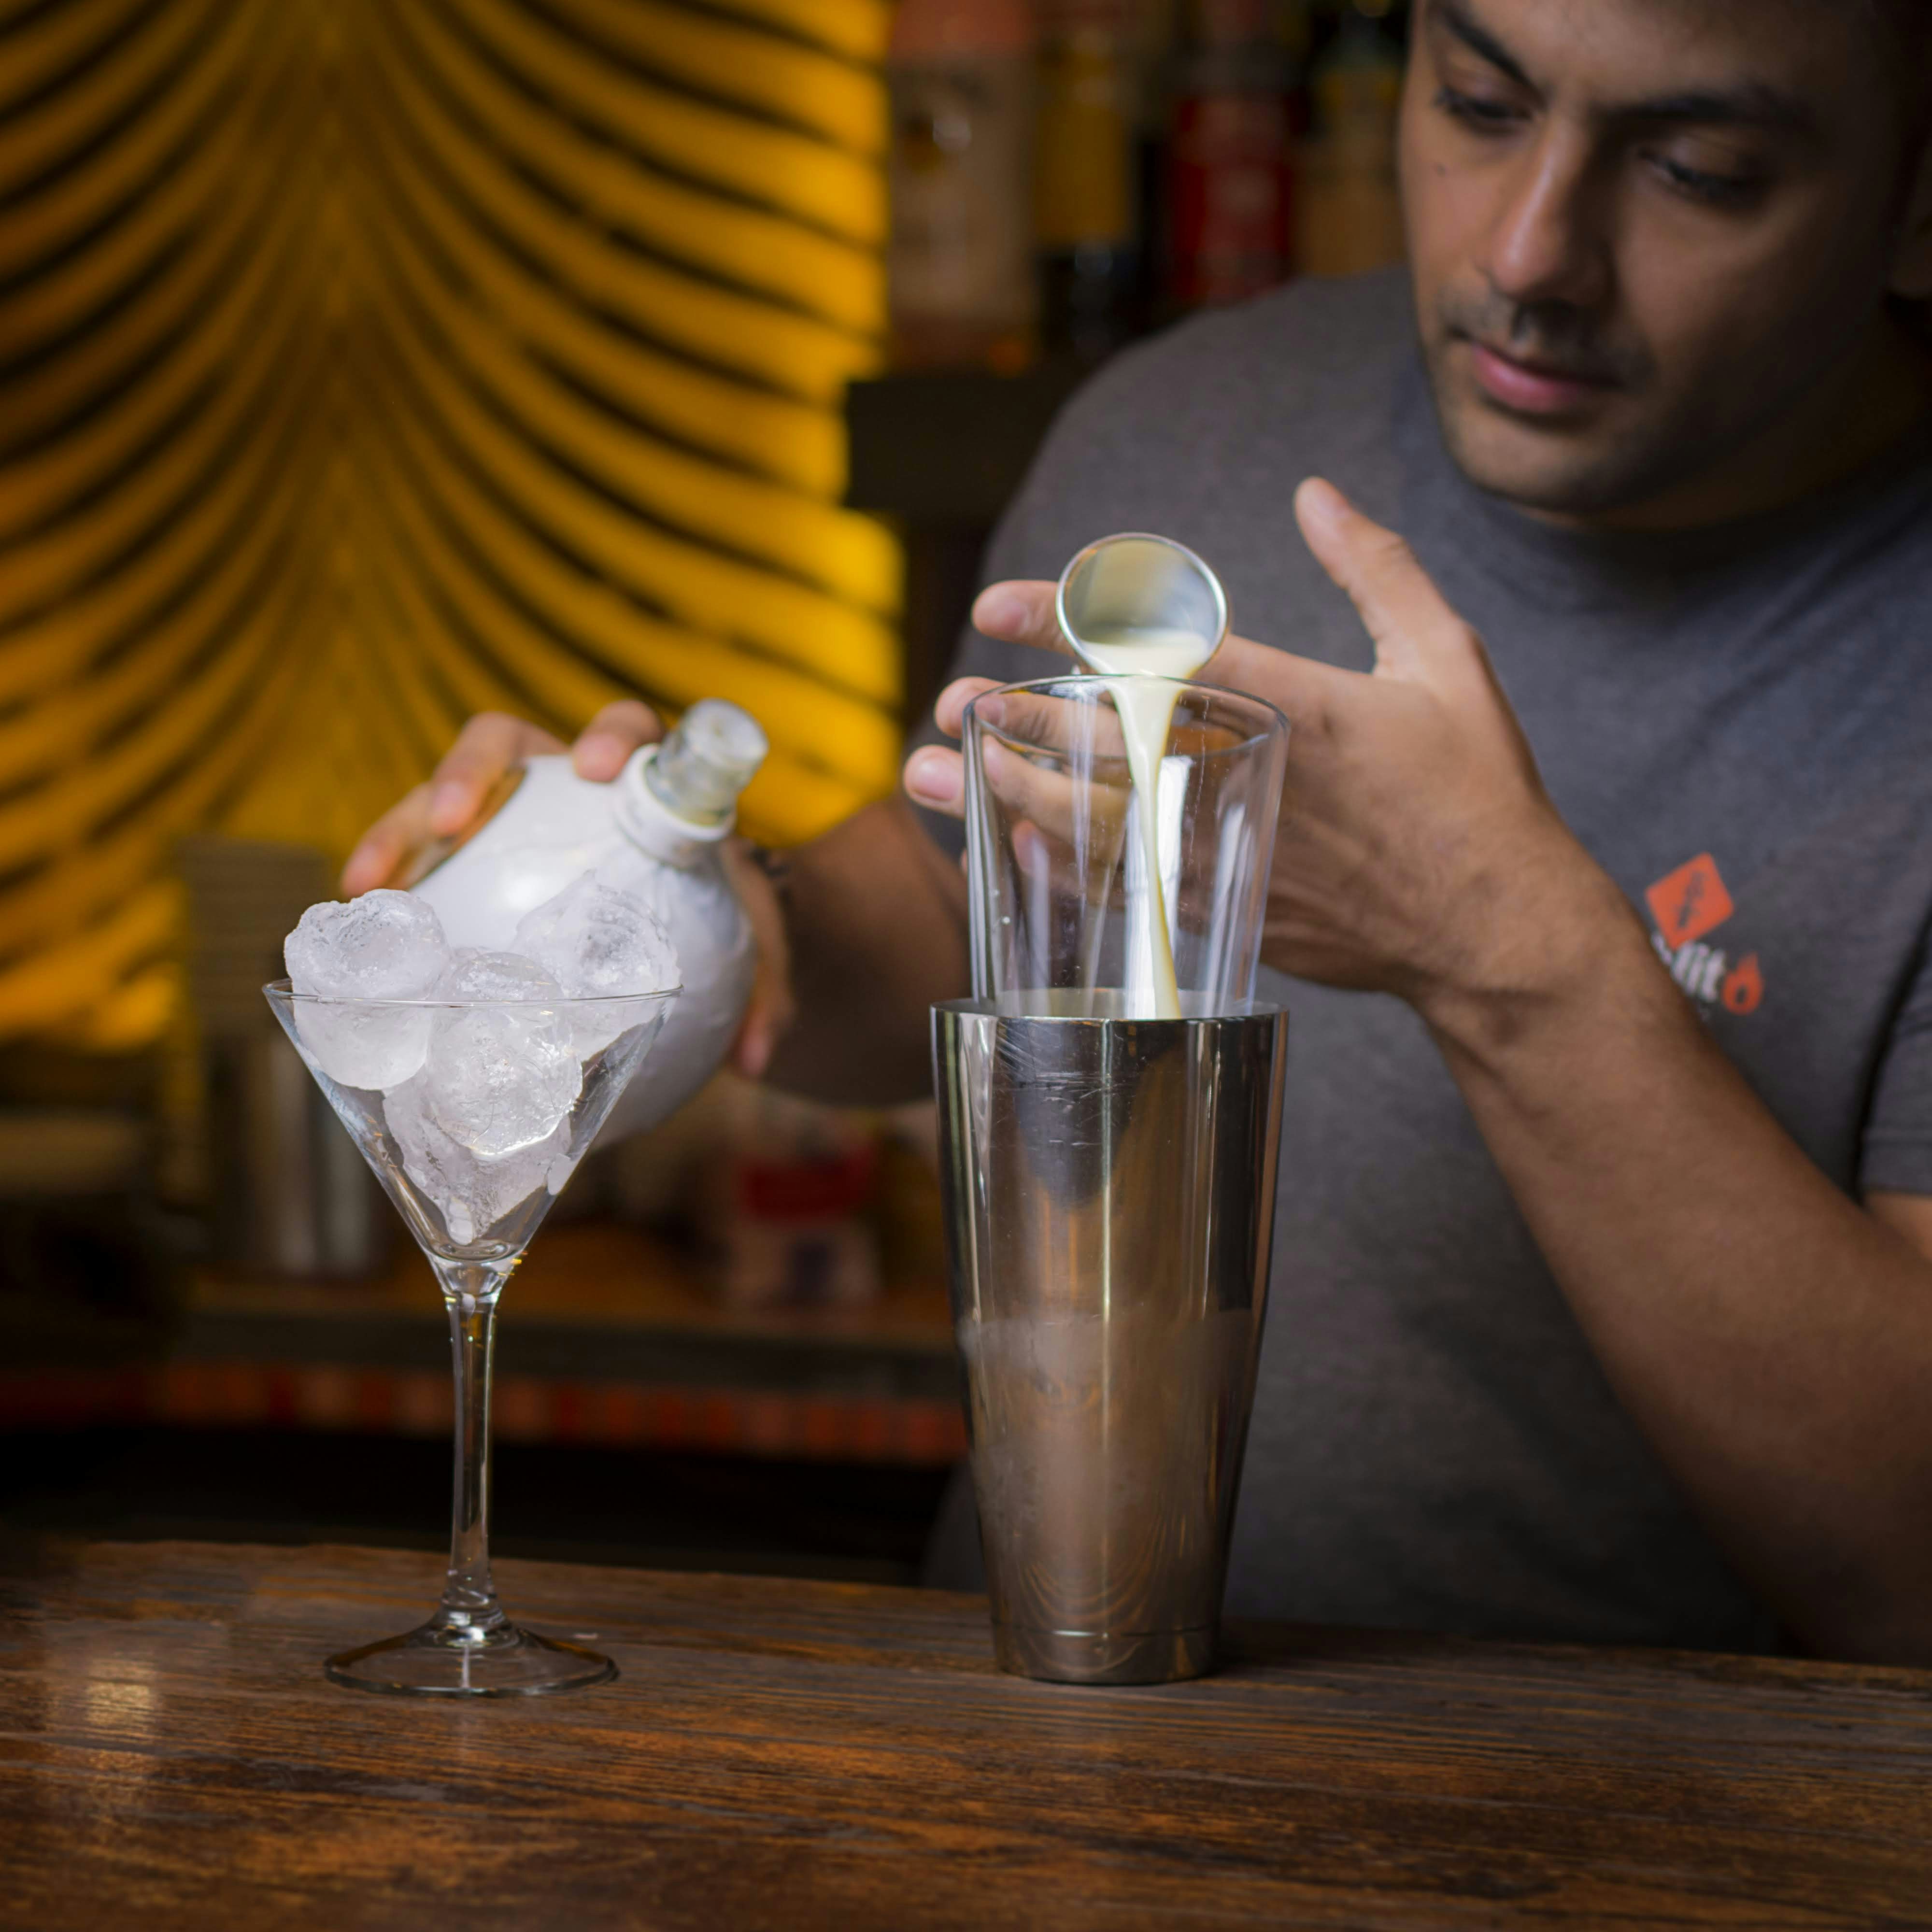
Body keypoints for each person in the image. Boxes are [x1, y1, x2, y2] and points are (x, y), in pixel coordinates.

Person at [346, 0, 1932, 1661]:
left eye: (1699, 168)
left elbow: (1907, 1567)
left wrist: (1501, 953)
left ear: (1919, 195)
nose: (1532, 252)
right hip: (1030, 1698)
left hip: (1615, 1780)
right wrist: (725, 904)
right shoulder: (1199, 417)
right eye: (1479, 100)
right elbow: (968, 899)